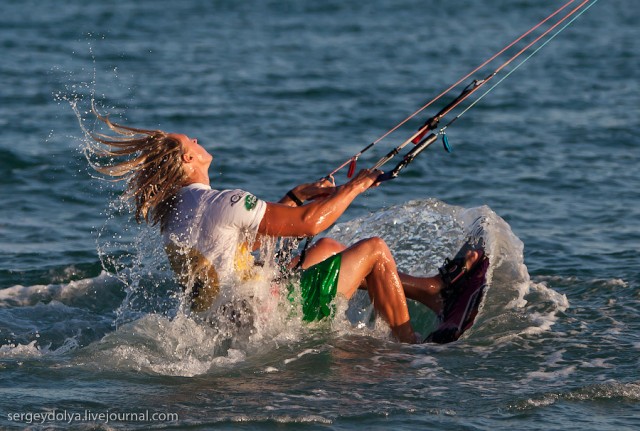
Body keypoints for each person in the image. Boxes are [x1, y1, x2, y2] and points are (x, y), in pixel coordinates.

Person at [88, 112, 479, 344]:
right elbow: (310, 221)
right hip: (270, 314)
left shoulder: (177, 213)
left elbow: (247, 240)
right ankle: (414, 349)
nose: (195, 138)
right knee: (374, 249)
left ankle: (433, 292)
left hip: (230, 322)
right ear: (189, 158)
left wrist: (294, 195)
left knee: (326, 248)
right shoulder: (225, 201)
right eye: (188, 139)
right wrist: (357, 186)